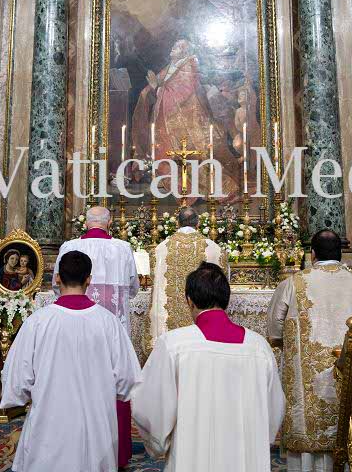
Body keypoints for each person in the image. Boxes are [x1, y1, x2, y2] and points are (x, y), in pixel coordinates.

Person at [132, 262, 285, 472]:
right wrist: (256, 442)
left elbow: (150, 406)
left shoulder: (174, 344)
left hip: (192, 458)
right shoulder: (259, 347)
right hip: (245, 459)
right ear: (226, 299)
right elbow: (274, 409)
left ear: (189, 300)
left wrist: (158, 445)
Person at [1, 251, 142, 472]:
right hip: (96, 432)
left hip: (48, 429)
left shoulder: (37, 322)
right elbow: (127, 381)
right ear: (89, 279)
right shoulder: (109, 322)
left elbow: (17, 382)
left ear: (57, 278)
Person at [267, 229, 352, 472]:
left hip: (311, 389)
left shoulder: (293, 284)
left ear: (312, 254)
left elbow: (275, 331)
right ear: (341, 254)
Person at [53, 206, 140, 470]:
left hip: (71, 327)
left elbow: (57, 285)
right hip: (112, 328)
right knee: (115, 379)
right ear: (109, 223)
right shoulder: (123, 248)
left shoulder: (69, 247)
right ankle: (116, 453)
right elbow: (133, 287)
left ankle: (69, 447)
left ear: (86, 223)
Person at [131, 38, 238, 199]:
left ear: (185, 51)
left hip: (184, 123)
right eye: (174, 45)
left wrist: (157, 88)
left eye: (177, 47)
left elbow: (182, 93)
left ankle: (192, 185)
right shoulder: (171, 66)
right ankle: (167, 180)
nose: (173, 48)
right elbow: (157, 85)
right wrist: (149, 91)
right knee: (164, 153)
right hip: (166, 120)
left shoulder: (189, 66)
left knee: (189, 157)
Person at [145, 206, 228, 353]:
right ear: (198, 224)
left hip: (168, 327)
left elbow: (154, 280)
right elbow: (223, 283)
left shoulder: (160, 250)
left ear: (178, 223)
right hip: (204, 327)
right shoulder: (214, 249)